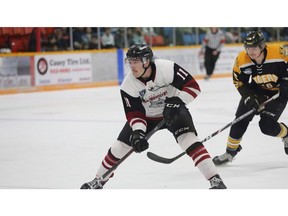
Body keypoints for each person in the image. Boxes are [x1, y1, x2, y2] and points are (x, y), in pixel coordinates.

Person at [81, 43, 226, 189]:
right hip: (147, 117)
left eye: (135, 61)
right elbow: (135, 113)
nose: (132, 66)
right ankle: (98, 181)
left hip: (173, 111)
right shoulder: (128, 85)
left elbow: (193, 87)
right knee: (119, 148)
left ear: (146, 61)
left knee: (188, 139)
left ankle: (215, 180)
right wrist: (138, 133)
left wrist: (178, 102)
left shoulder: (167, 68)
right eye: (130, 61)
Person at [213, 31, 288, 166]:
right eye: (248, 48)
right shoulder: (242, 59)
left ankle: (286, 135)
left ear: (262, 46)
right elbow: (239, 82)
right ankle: (230, 152)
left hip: (278, 93)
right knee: (240, 120)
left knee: (267, 126)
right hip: (256, 91)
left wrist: (286, 82)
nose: (250, 51)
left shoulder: (279, 51)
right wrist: (249, 97)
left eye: (254, 48)